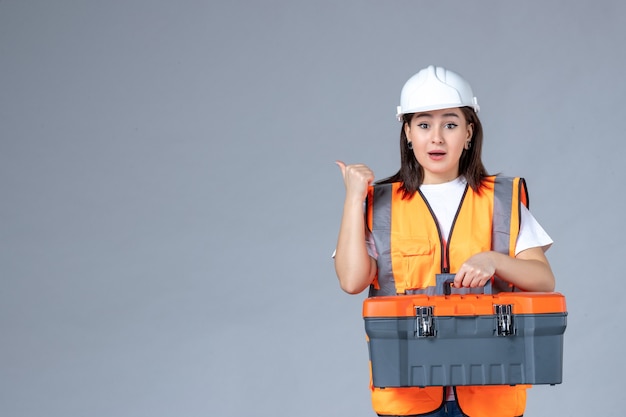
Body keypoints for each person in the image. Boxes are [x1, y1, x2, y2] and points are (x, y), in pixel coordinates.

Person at [333, 65, 555, 417]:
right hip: (408, 394)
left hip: (490, 393)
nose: (436, 138)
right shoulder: (379, 206)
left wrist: (495, 261)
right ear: (407, 132)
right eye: (424, 124)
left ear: (468, 133)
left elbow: (544, 280)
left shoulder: (501, 200)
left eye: (450, 124)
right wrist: (353, 199)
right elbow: (351, 280)